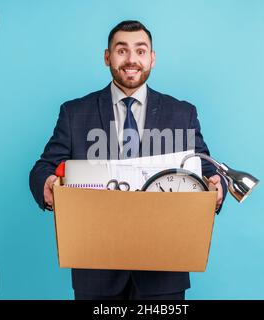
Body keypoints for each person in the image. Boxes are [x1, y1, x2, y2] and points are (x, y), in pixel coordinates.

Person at [29, 20, 228, 300]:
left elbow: (206, 167)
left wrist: (218, 190)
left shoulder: (182, 113)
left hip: (164, 271)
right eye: (121, 50)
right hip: (95, 270)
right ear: (107, 57)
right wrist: (47, 185)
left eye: (140, 51)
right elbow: (43, 168)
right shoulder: (74, 113)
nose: (131, 59)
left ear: (152, 58)